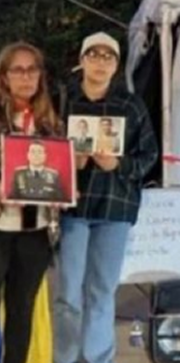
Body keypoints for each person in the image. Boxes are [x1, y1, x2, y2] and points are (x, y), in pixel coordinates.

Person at [53, 32, 158, 363]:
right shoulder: (62, 102)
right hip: (73, 209)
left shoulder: (130, 105)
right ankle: (65, 357)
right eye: (93, 55)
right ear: (81, 60)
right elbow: (44, 150)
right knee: (68, 292)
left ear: (116, 64)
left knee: (102, 290)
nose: (100, 62)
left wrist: (119, 164)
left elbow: (149, 155)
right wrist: (70, 163)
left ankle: (98, 357)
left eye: (108, 56)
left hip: (115, 208)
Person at [0, 41, 63, 363]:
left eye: (32, 70)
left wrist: (64, 191)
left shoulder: (50, 123)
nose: (26, 77)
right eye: (18, 70)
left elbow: (59, 173)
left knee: (22, 309)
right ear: (4, 77)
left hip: (34, 230)